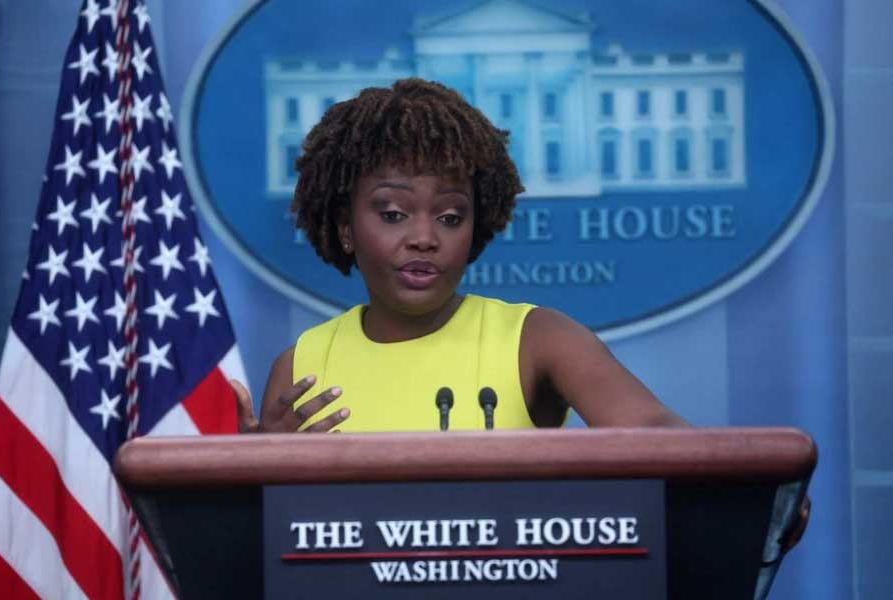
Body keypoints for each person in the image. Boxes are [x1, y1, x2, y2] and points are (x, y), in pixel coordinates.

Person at [230, 77, 808, 549]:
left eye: (451, 217)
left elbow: (655, 434)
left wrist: (749, 492)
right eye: (393, 213)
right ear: (343, 228)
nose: (425, 237)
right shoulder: (304, 363)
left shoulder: (538, 338)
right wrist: (255, 478)